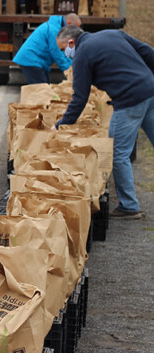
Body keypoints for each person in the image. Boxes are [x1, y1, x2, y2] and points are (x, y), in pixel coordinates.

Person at [54, 25, 154, 220]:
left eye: (63, 49)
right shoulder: (113, 33)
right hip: (151, 91)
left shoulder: (82, 54)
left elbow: (80, 97)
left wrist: (62, 124)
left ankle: (129, 206)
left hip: (129, 101)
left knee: (117, 153)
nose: (65, 54)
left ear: (71, 43)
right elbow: (148, 53)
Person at [12, 13, 81, 84]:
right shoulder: (54, 30)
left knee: (45, 88)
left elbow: (65, 51)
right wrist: (69, 71)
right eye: (74, 29)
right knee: (42, 89)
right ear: (69, 23)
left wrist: (73, 66)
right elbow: (57, 52)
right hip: (31, 60)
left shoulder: (58, 29)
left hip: (35, 60)